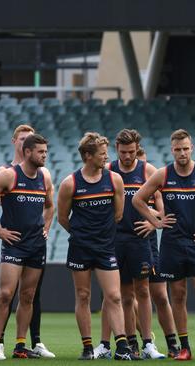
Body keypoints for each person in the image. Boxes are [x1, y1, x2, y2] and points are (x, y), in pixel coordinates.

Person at [133, 129, 195, 361]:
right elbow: (137, 199)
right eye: (178, 149)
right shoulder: (163, 175)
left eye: (186, 148)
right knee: (177, 295)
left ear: (192, 148)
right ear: (172, 150)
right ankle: (184, 347)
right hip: (172, 244)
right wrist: (156, 221)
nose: (182, 153)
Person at [56, 132, 137, 360]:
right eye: (102, 154)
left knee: (114, 296)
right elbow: (63, 218)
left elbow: (118, 214)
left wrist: (100, 235)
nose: (106, 157)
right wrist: (82, 235)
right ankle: (87, 347)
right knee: (83, 295)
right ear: (88, 156)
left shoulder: (114, 180)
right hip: (80, 248)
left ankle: (121, 346)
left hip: (105, 247)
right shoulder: (70, 183)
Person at [0, 134, 55, 359]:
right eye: (40, 152)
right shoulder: (9, 176)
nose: (44, 155)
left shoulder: (44, 178)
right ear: (28, 152)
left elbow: (50, 206)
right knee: (6, 293)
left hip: (36, 245)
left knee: (28, 295)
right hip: (14, 245)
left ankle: (20, 345)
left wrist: (46, 227)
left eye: (46, 152)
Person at [106, 129, 165, 359]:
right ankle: (131, 344)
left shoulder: (147, 170)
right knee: (125, 295)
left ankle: (148, 342)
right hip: (116, 240)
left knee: (143, 291)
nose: (128, 156)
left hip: (140, 240)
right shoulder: (109, 171)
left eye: (131, 152)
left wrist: (153, 224)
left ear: (137, 149)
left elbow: (163, 208)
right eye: (123, 152)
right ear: (116, 150)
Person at [137, 147, 180, 358]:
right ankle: (142, 339)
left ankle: (172, 343)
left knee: (160, 296)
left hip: (151, 245)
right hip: (126, 244)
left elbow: (163, 213)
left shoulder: (154, 185)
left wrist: (153, 223)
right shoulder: (122, 181)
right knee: (127, 296)